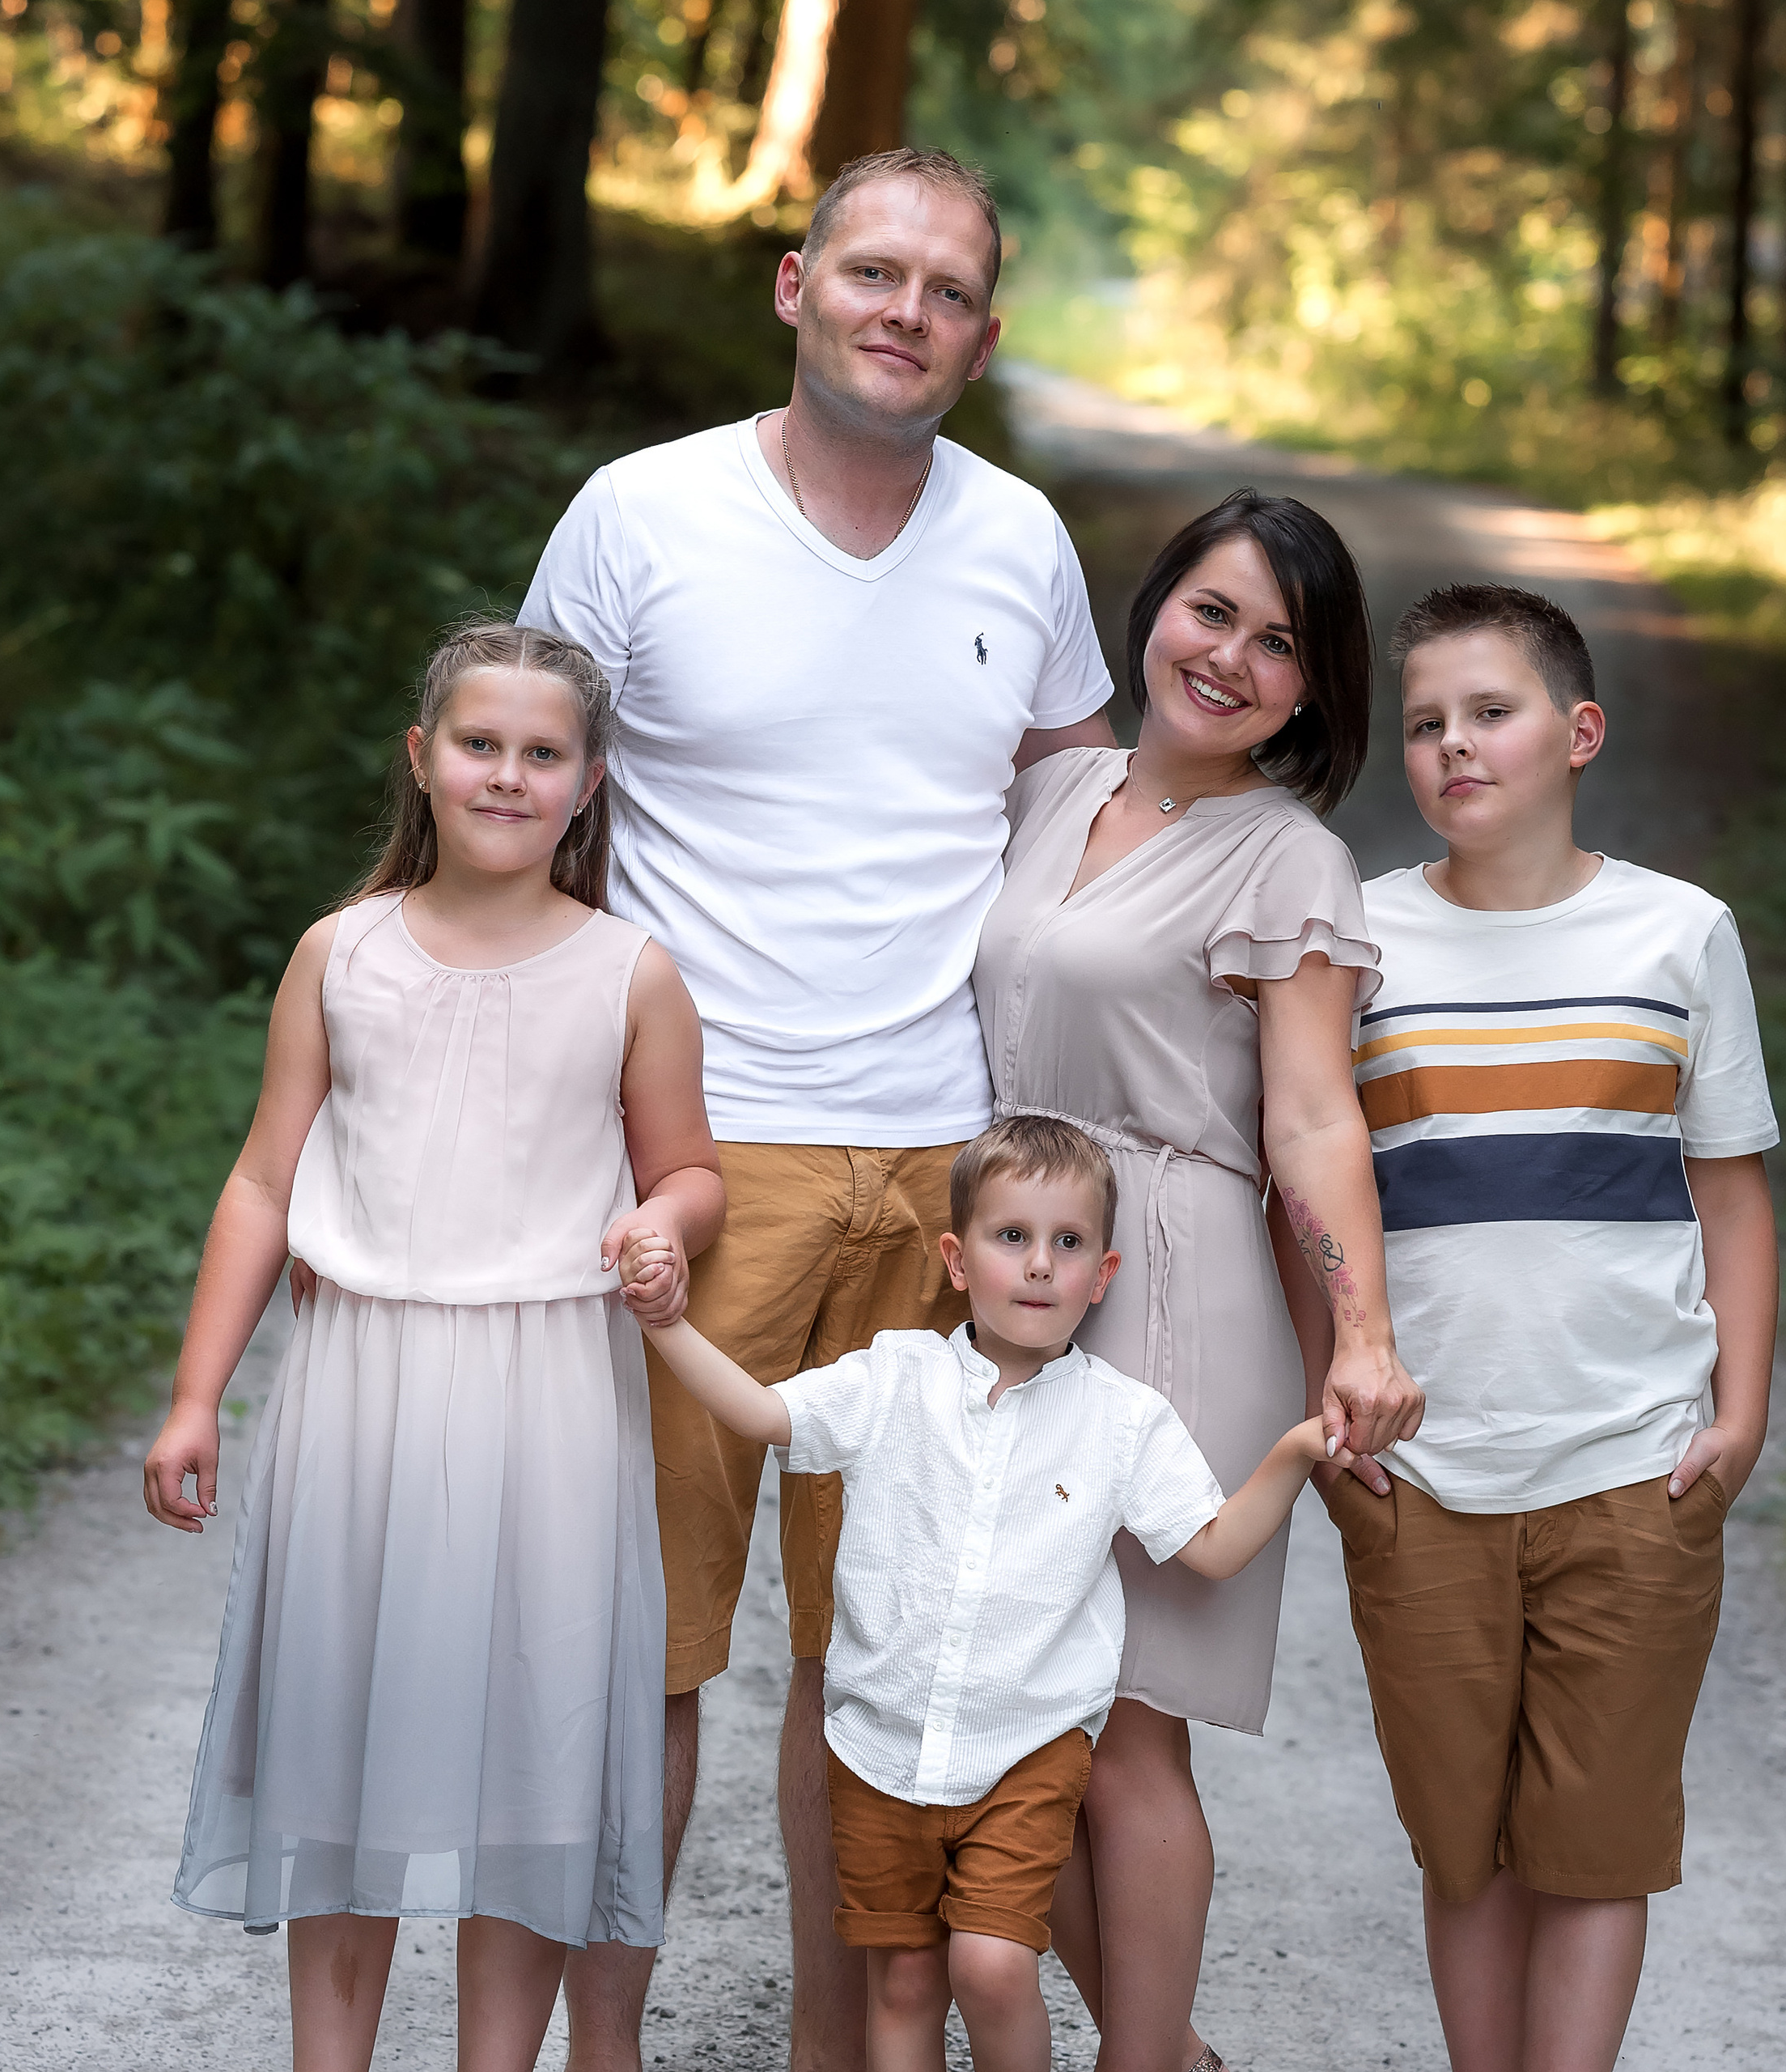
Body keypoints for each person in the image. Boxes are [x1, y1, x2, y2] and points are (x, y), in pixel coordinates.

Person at [515, 147, 1115, 2068]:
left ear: (982, 335)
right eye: (871, 270)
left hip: (940, 1163)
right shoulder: (639, 512)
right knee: (645, 1647)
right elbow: (530, 793)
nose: (903, 310)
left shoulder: (1019, 540)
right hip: (700, 1155)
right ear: (793, 284)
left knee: (884, 1657)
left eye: (945, 290)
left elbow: (1080, 814)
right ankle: (602, 2039)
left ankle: (836, 2046)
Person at [143, 622, 725, 2072]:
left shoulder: (631, 972)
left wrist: (662, 1227)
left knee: (528, 1761)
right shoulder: (341, 956)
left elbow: (694, 1169)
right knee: (342, 1755)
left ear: (589, 783)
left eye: (544, 755)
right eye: (481, 746)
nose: (509, 776)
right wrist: (195, 1395)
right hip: (364, 1393)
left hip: (549, 1405)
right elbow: (266, 1183)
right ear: (423, 759)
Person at [972, 489, 1426, 2071]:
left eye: (1277, 642)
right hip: (1023, 1285)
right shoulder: (1054, 788)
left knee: (1125, 1728)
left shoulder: (1285, 856)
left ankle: (1137, 2053)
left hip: (1176, 1292)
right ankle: (1159, 2049)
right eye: (1209, 610)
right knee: (1007, 1723)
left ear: (1313, 691)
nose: (1228, 656)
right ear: (1153, 606)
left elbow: (1310, 1115)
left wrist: (1355, 1333)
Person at [617, 1115, 1345, 2072]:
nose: (1040, 1265)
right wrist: (668, 1325)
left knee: (995, 1967)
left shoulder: (1123, 1420)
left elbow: (1210, 1548)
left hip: (1024, 1753)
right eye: (1013, 1238)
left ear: (1104, 1273)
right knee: (907, 1982)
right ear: (957, 1260)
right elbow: (763, 1412)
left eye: (1068, 1243)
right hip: (879, 1747)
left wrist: (1295, 1449)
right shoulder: (894, 1377)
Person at [1332, 583, 1780, 2072]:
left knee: (1595, 1847)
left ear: (1578, 732)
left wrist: (1742, 1411)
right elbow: (1317, 1194)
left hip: (1633, 1464)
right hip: (1428, 1474)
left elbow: (1729, 1186)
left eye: (1491, 712)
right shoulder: (1362, 943)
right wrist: (1338, 1390)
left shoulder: (1680, 932)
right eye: (1425, 725)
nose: (1455, 746)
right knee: (1464, 1846)